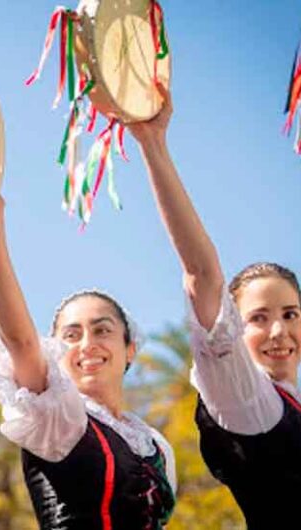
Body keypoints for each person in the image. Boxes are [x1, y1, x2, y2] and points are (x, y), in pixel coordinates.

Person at [130, 84, 301, 527]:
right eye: (258, 319)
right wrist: (153, 143)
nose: (279, 331)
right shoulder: (245, 400)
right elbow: (202, 275)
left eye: (290, 314)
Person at [0, 197, 176, 529]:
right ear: (55, 353)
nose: (87, 344)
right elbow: (21, 342)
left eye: (102, 330)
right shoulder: (59, 419)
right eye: (71, 335)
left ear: (130, 348)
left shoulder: (156, 446)